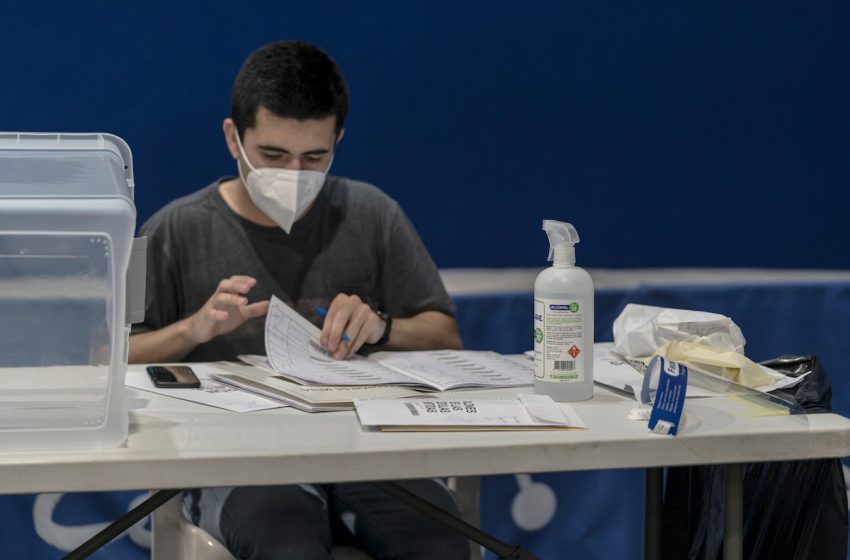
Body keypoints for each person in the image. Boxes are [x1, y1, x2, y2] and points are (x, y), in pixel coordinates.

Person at [129, 40, 468, 559]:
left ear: (339, 140)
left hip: (367, 452)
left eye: (314, 157)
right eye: (272, 155)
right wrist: (191, 330)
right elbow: (111, 357)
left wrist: (382, 326)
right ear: (232, 139)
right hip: (238, 462)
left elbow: (445, 334)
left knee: (439, 539)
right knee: (285, 540)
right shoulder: (175, 229)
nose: (293, 175)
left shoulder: (372, 214)